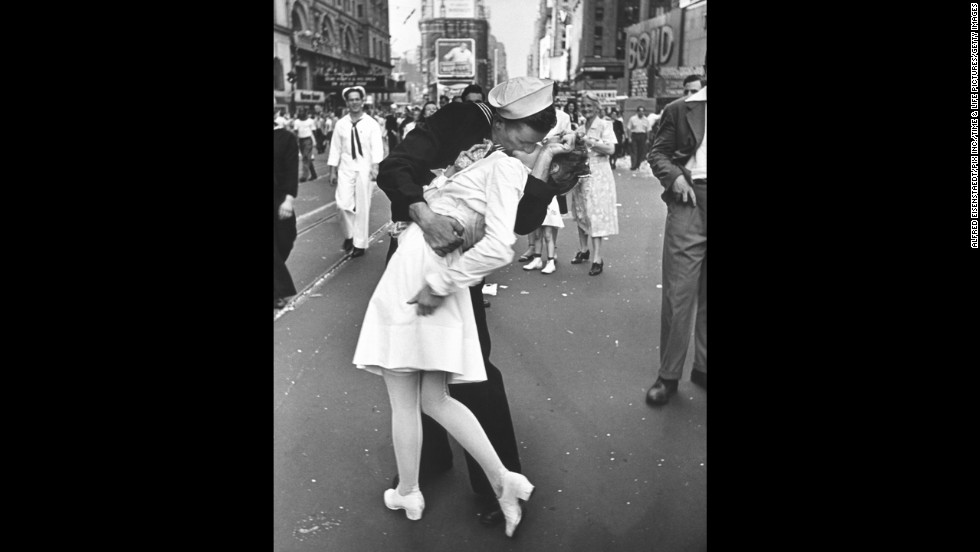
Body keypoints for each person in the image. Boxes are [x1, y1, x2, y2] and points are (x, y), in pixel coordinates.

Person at [375, 76, 567, 529]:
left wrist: (541, 177)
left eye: (536, 141)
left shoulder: (532, 152)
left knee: (472, 365)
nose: (526, 147)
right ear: (502, 120)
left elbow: (520, 224)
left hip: (463, 264)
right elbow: (395, 167)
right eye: (523, 137)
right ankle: (425, 462)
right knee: (412, 363)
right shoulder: (460, 119)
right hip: (417, 249)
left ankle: (494, 479)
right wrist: (422, 212)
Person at [644, 65, 708, 406]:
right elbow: (657, 153)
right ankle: (668, 376)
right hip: (691, 199)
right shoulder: (682, 109)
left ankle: (703, 368)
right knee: (679, 293)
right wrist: (674, 178)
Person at [327, 86, 384, 258]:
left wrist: (375, 167)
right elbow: (335, 148)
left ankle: (359, 244)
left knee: (362, 207)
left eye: (357, 99)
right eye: (351, 100)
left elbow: (377, 147)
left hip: (365, 169)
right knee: (342, 205)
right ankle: (349, 235)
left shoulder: (371, 124)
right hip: (345, 168)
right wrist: (332, 171)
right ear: (347, 102)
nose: (354, 102)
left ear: (362, 101)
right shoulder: (341, 124)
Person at [521, 81, 572, 274]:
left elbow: (568, 144)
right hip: (532, 166)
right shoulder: (530, 115)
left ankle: (552, 252)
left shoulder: (563, 117)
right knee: (530, 206)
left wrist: (556, 141)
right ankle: (534, 248)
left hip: (554, 169)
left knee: (551, 215)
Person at [567, 92, 618, 276]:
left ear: (597, 107)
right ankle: (583, 249)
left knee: (595, 214)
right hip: (581, 174)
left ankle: (597, 258)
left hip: (599, 175)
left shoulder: (605, 125)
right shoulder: (579, 128)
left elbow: (610, 148)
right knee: (581, 212)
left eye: (590, 106)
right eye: (584, 106)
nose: (587, 109)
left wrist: (589, 141)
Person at [274, 110, 300, 309]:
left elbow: (292, 170)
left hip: (280, 198)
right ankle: (279, 291)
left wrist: (289, 200)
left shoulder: (286, 138)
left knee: (285, 240)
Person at [292, 109, 319, 182]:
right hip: (301, 140)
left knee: (305, 157)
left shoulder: (310, 121)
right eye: (299, 112)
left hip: (308, 140)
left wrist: (315, 142)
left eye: (302, 112)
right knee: (307, 158)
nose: (301, 113)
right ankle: (314, 174)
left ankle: (304, 176)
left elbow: (314, 131)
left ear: (306, 113)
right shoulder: (297, 122)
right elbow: (295, 132)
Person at [627, 106, 651, 171]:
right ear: (637, 112)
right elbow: (629, 128)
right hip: (634, 135)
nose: (641, 112)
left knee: (641, 151)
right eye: (640, 111)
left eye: (642, 111)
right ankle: (633, 165)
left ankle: (638, 165)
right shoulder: (632, 119)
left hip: (642, 136)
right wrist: (629, 137)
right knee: (634, 151)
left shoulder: (646, 120)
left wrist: (648, 139)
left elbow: (648, 130)